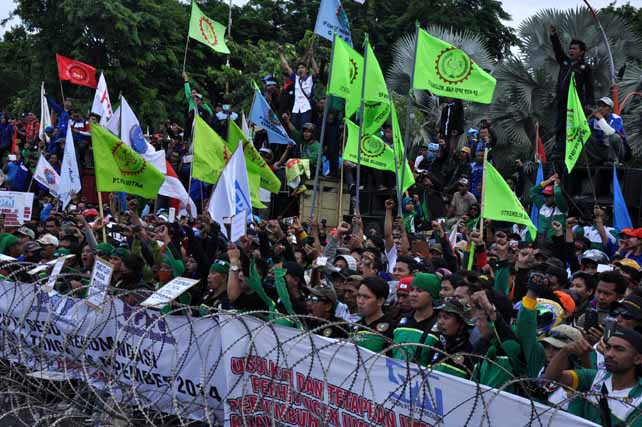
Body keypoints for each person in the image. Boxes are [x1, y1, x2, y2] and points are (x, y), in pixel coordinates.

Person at [544, 327, 642, 426]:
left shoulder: (639, 399)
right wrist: (565, 351)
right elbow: (553, 377)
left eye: (619, 349)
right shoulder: (595, 377)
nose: (609, 354)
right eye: (608, 347)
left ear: (637, 359)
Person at [549, 25, 594, 156]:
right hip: (562, 102)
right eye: (570, 48)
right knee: (560, 126)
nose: (571, 50)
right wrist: (554, 35)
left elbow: (590, 88)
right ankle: (559, 149)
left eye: (574, 48)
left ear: (582, 52)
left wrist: (589, 105)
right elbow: (557, 49)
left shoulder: (585, 67)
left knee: (572, 128)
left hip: (575, 104)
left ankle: (572, 151)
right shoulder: (564, 62)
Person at [277, 45, 318, 131]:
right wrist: (281, 54)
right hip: (295, 109)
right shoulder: (295, 79)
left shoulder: (310, 79)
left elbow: (316, 71)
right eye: (299, 68)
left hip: (306, 109)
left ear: (307, 70)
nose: (300, 69)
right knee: (294, 131)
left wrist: (312, 58)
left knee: (305, 130)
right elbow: (286, 66)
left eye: (302, 68)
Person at [585, 96, 627, 165]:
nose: (600, 108)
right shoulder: (595, 120)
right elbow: (583, 129)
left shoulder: (616, 118)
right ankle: (596, 161)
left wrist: (600, 118)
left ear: (610, 109)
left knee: (614, 137)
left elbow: (610, 132)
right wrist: (589, 117)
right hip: (604, 150)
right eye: (599, 106)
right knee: (585, 136)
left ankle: (615, 161)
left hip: (619, 152)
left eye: (604, 106)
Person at [530, 173, 568, 245]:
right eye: (545, 195)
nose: (546, 198)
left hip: (556, 244)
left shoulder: (562, 208)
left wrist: (556, 185)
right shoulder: (542, 205)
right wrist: (549, 180)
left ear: (554, 197)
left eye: (549, 196)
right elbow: (533, 191)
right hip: (541, 243)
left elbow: (558, 195)